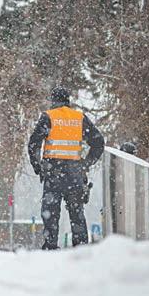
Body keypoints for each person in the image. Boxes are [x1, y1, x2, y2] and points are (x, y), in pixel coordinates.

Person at [27, 86, 105, 250]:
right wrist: (85, 164)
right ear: (68, 101)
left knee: (50, 213)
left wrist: (38, 167)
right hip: (75, 174)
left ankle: (50, 247)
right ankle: (81, 248)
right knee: (77, 214)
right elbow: (98, 142)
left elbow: (34, 144)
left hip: (53, 173)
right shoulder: (79, 118)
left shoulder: (49, 116)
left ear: (53, 100)